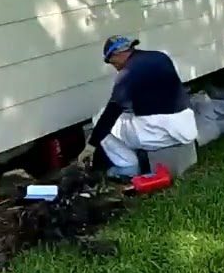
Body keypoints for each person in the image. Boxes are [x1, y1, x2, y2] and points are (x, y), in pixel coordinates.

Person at [82, 35, 197, 178]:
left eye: (112, 63)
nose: (115, 67)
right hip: (187, 126)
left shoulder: (127, 73)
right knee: (128, 118)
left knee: (99, 117)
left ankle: (128, 166)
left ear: (116, 55)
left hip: (160, 132)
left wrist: (91, 146)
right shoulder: (160, 57)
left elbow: (111, 113)